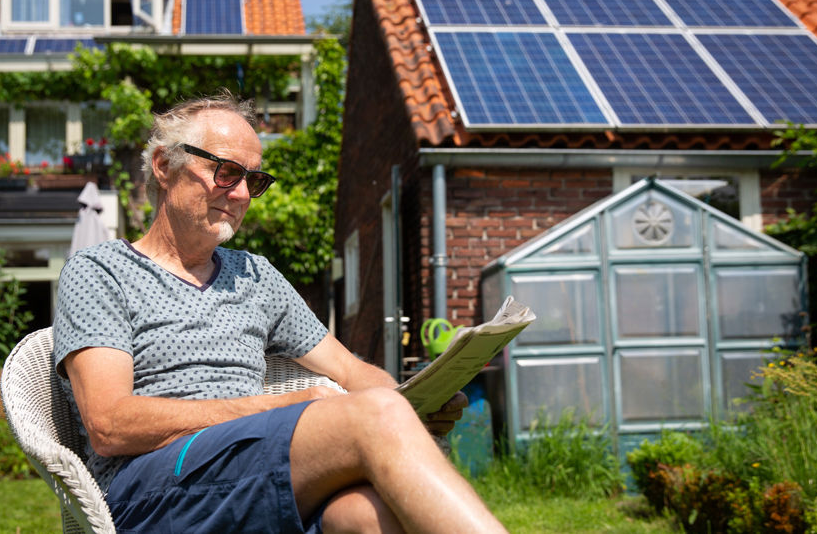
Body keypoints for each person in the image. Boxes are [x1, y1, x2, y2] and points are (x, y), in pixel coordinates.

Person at [52, 93, 507, 533]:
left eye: (254, 180)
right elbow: (108, 425)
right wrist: (273, 407)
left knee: (367, 516)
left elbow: (350, 369)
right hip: (147, 492)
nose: (242, 193)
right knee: (379, 417)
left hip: (251, 470)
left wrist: (414, 406)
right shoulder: (100, 272)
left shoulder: (255, 275)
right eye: (227, 172)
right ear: (164, 165)